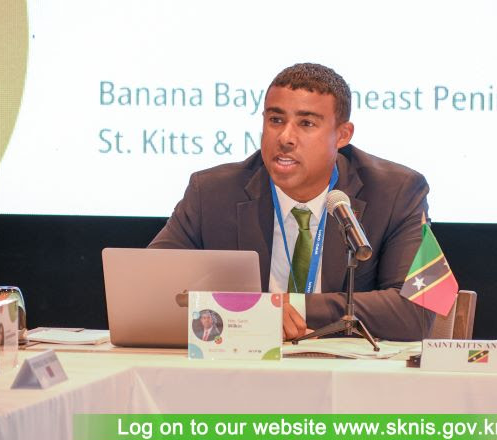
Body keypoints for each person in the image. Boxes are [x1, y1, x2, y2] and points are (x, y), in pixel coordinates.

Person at [150, 63, 434, 341]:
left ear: (342, 135)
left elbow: (418, 310)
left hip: (345, 367)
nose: (285, 137)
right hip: (242, 363)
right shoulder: (212, 193)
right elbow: (150, 287)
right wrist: (246, 311)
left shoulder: (397, 192)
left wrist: (291, 307)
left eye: (306, 123)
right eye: (275, 120)